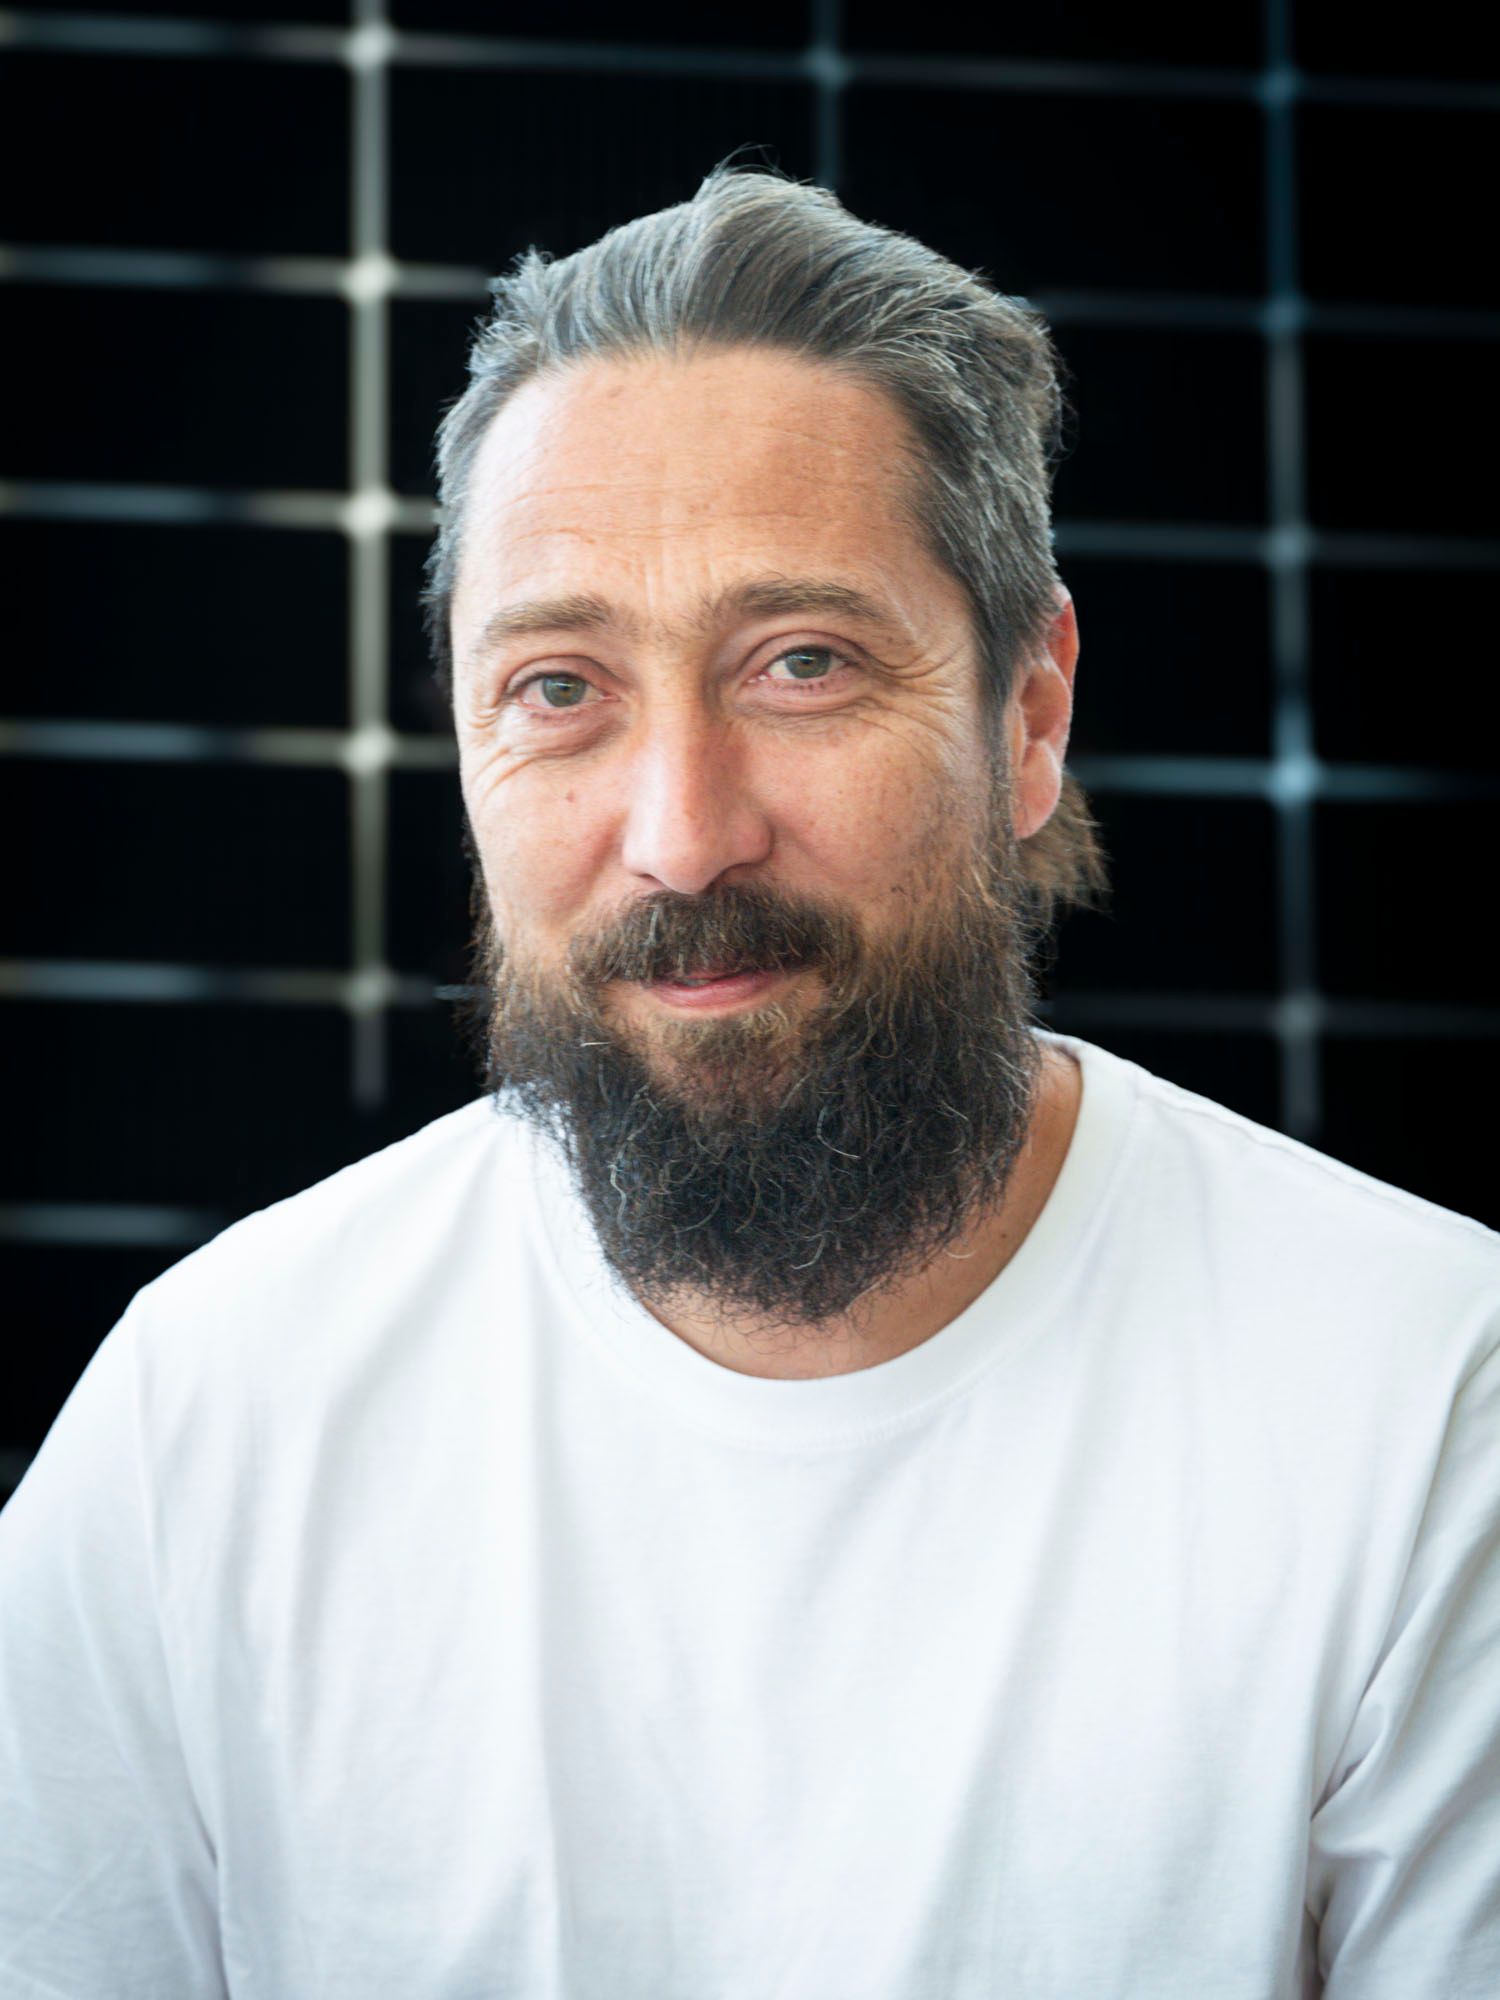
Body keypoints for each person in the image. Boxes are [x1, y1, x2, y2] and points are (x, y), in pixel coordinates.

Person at [1, 165, 1496, 2000]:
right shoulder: (211, 1422)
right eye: (561, 688)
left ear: (1028, 714)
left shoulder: (1429, 1404)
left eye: (801, 664)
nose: (682, 835)